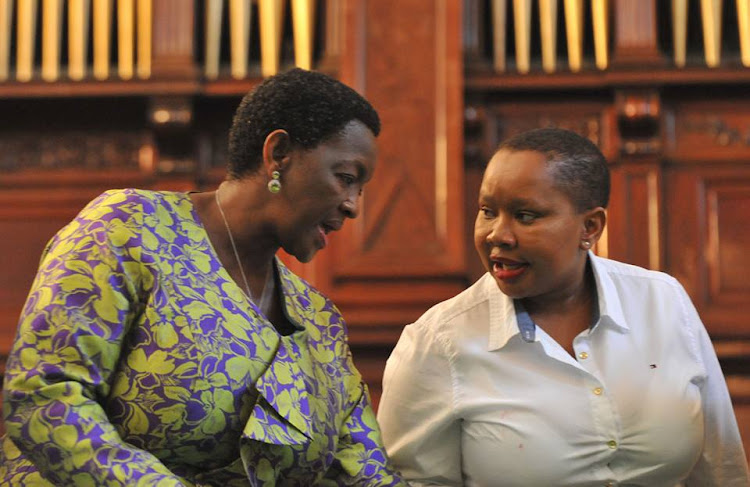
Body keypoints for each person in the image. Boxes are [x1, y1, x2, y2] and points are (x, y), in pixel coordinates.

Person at [0, 68, 405, 486]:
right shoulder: (126, 229)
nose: (354, 206)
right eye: (346, 178)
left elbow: (364, 471)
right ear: (279, 153)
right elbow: (46, 396)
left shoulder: (320, 319)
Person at [376, 128, 749, 486]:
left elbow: (721, 466)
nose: (497, 235)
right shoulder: (438, 342)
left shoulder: (662, 302)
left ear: (590, 226)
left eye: (525, 216)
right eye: (488, 211)